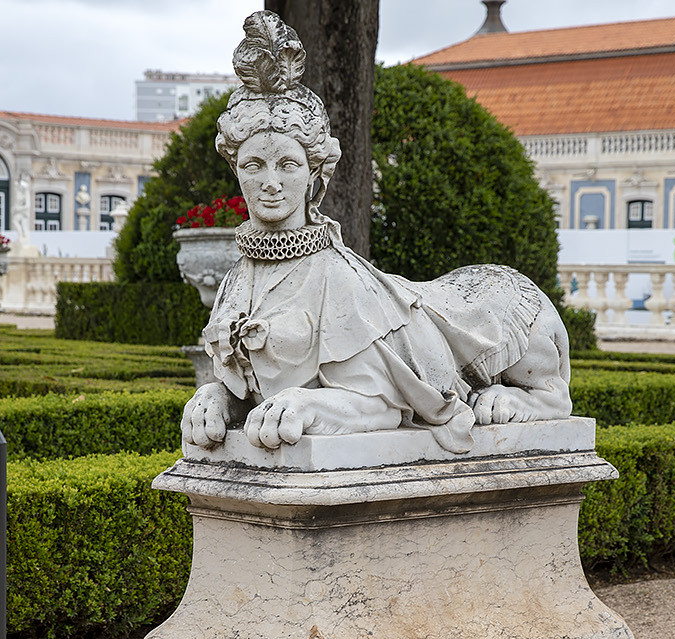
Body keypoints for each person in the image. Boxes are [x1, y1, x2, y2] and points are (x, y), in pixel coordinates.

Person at [182, 11, 571, 454]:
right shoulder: (237, 281)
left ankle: (542, 394)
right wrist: (215, 394)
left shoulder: (338, 279)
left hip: (499, 305)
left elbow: (382, 406)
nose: (270, 182)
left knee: (500, 312)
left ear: (314, 173)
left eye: (287, 164)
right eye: (254, 165)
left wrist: (306, 404)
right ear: (236, 169)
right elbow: (245, 387)